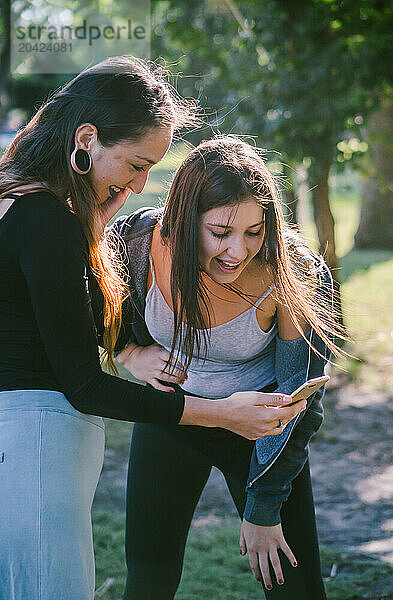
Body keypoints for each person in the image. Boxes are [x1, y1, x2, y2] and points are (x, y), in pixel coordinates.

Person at [0, 59, 306, 600]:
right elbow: (83, 377)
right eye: (137, 164)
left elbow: (65, 312)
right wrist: (210, 407)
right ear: (87, 138)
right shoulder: (61, 224)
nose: (141, 185)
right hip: (40, 443)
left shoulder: (24, 202)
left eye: (151, 170)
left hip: (33, 442)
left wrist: (126, 343)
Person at [109, 136, 344, 599]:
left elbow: (301, 396)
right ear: (182, 219)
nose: (238, 251)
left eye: (254, 232)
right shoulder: (137, 243)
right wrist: (130, 353)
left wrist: (263, 506)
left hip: (263, 433)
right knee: (147, 583)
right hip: (172, 419)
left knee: (296, 588)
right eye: (220, 232)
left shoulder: (291, 273)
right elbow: (98, 309)